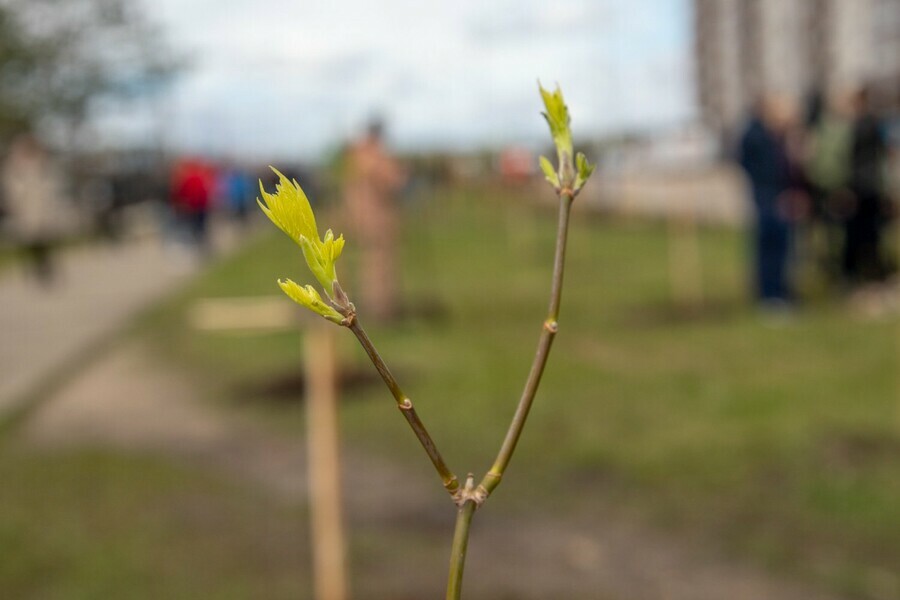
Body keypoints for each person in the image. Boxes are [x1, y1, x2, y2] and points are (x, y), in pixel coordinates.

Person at [737, 95, 799, 308]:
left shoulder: (774, 136)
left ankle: (780, 291)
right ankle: (770, 295)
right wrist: (773, 193)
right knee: (770, 249)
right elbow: (757, 167)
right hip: (769, 199)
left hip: (778, 197)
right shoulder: (756, 135)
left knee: (783, 249)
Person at [343, 120, 407, 321]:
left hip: (366, 218)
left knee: (373, 262)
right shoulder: (371, 156)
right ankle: (380, 308)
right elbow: (392, 180)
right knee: (379, 263)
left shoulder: (358, 154)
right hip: (376, 218)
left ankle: (377, 305)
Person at [0, 134, 68, 284]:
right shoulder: (14, 166)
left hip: (43, 208)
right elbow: (10, 188)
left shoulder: (44, 163)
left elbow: (54, 185)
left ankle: (46, 269)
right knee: (29, 242)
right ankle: (36, 270)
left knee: (45, 241)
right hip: (25, 209)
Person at [844, 86, 890, 284]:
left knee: (861, 232)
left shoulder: (860, 125)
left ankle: (859, 273)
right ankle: (872, 271)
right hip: (870, 184)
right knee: (870, 231)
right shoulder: (874, 123)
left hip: (862, 186)